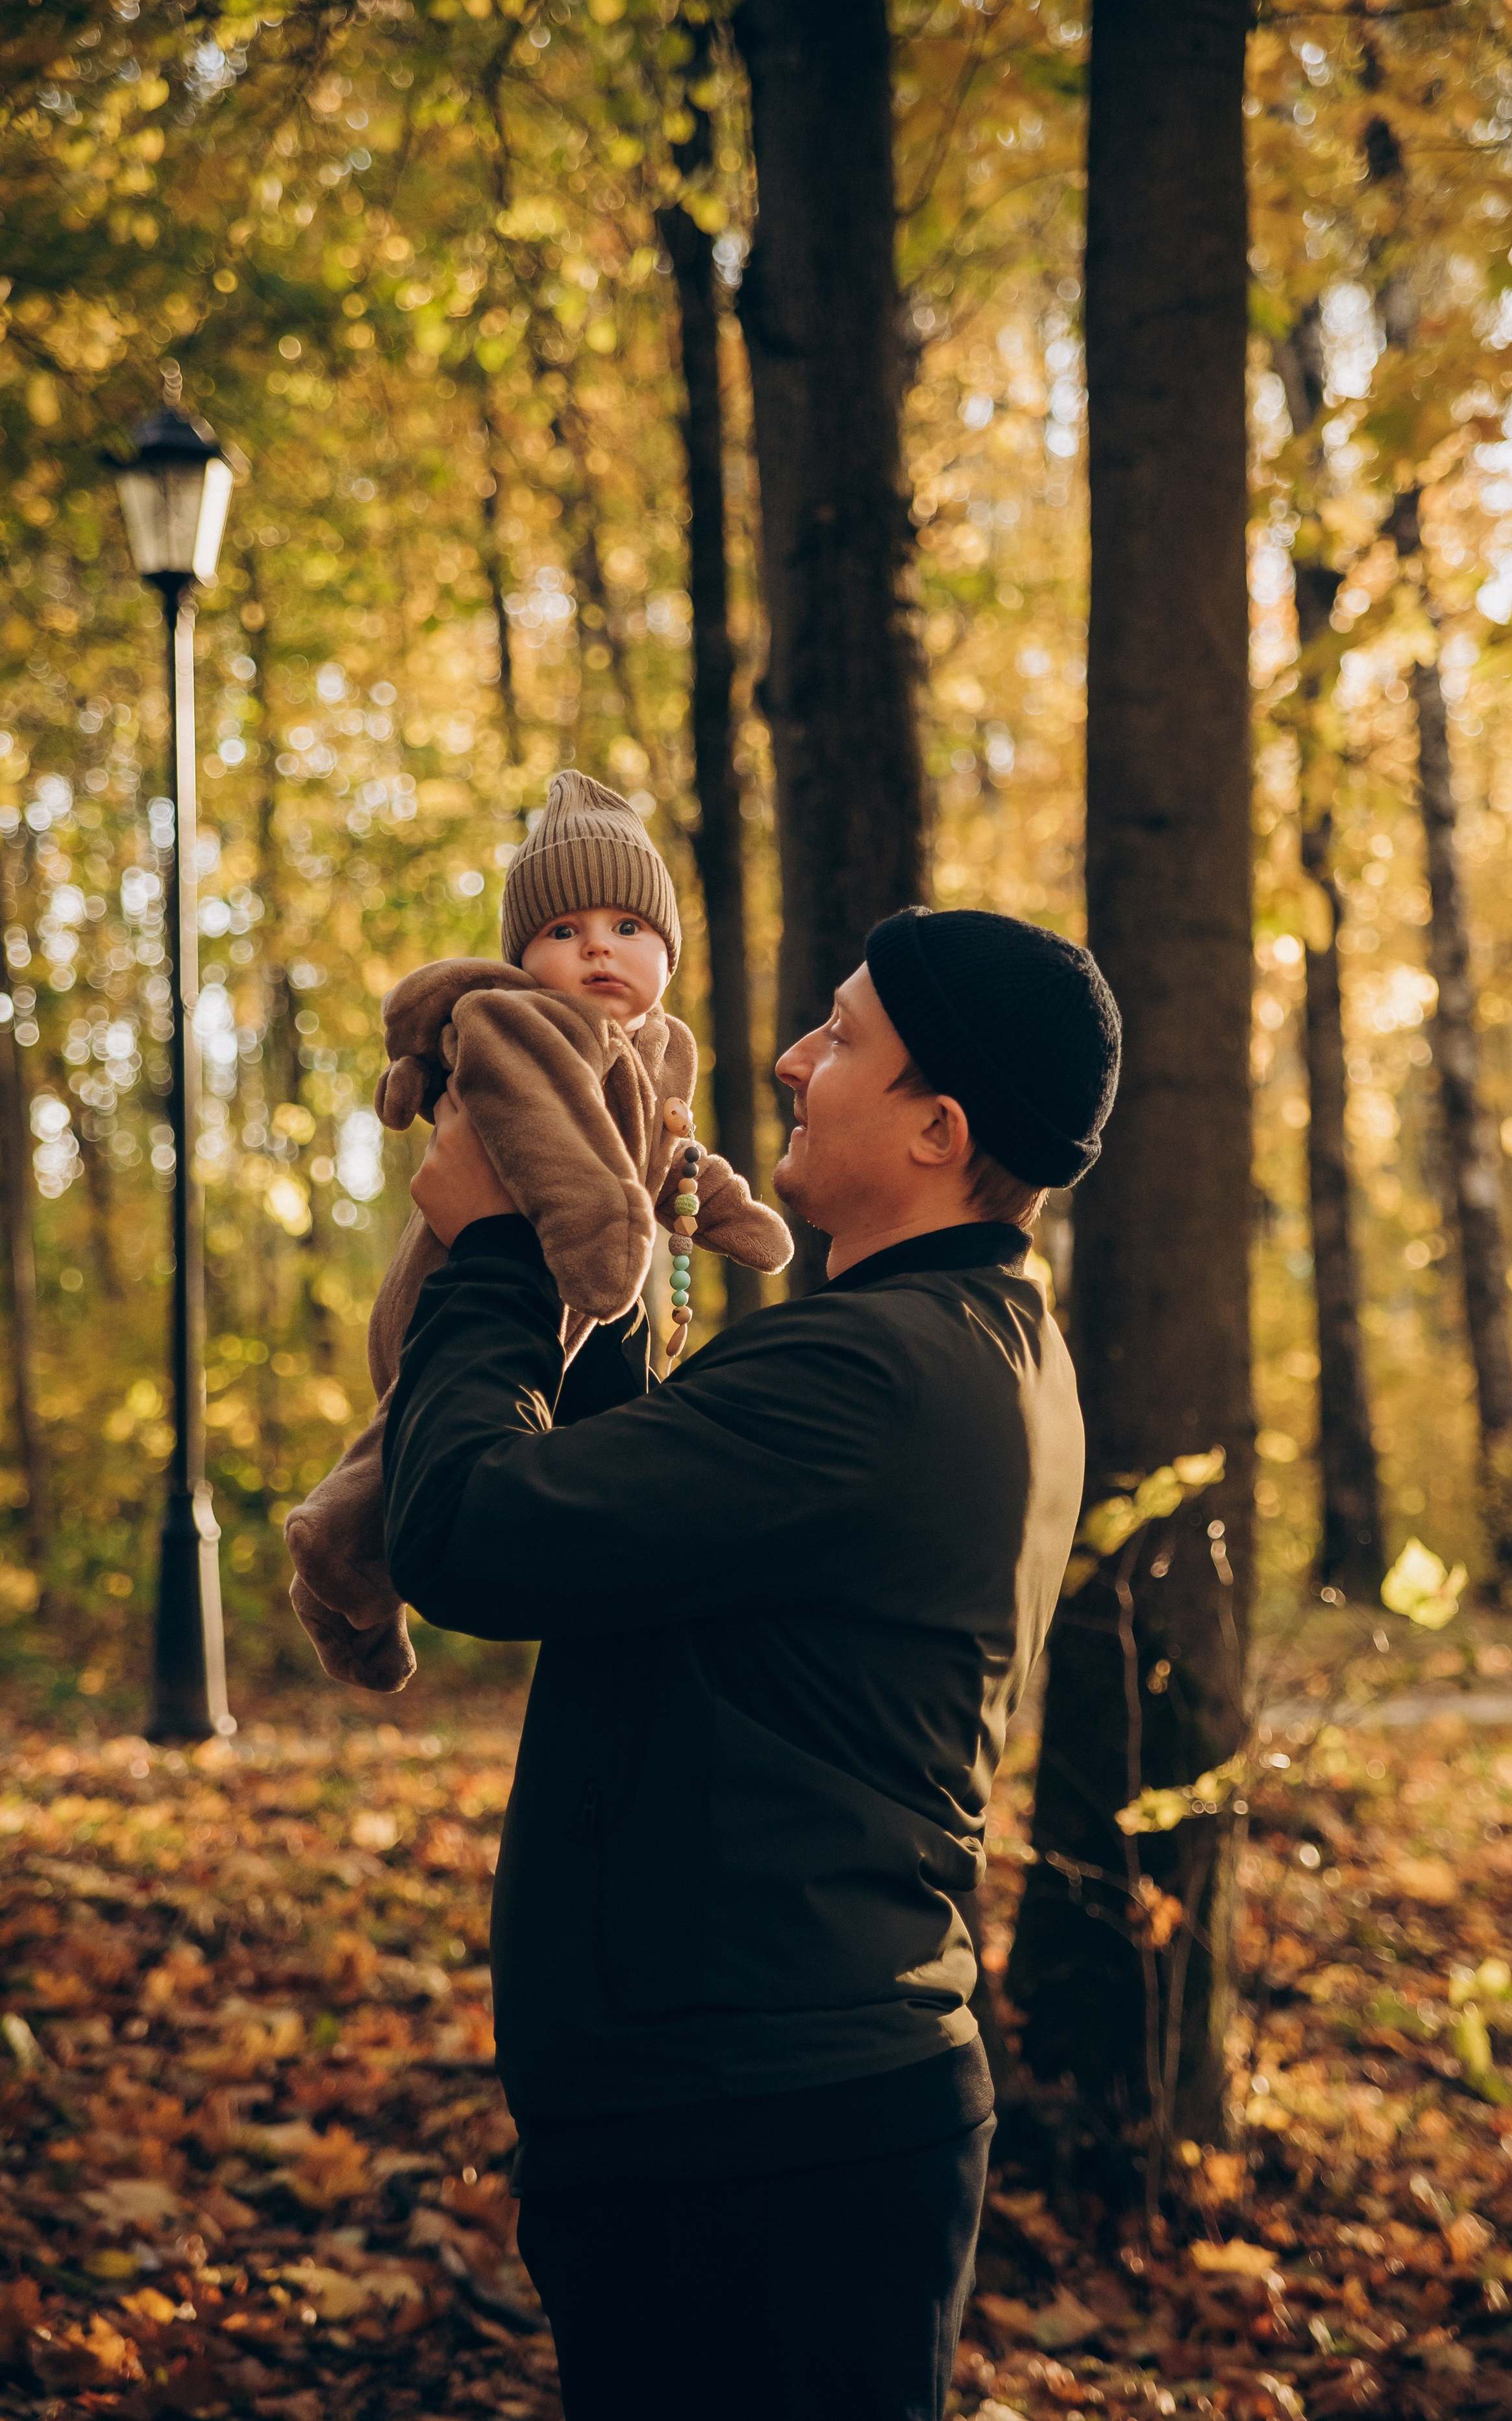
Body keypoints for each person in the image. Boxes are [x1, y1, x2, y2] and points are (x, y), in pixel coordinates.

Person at [384, 903, 1122, 2421]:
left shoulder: (872, 1372)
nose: (792, 1057)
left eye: (840, 1034)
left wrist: (499, 1251)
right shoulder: (962, 1342)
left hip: (758, 2145)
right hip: (773, 2117)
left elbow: (470, 1531)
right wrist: (600, 1241)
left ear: (936, 1127)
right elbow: (629, 1524)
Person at [285, 769, 788, 1690]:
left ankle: (346, 1579)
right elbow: (551, 1140)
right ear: (527, 957)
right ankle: (336, 1563)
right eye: (566, 932)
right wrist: (600, 1237)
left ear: (668, 954)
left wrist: (717, 1204)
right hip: (475, 1278)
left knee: (435, 1457)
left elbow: (664, 1152)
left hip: (574, 1297)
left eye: (627, 928)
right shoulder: (518, 1022)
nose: (599, 949)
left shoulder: (663, 1045)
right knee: (427, 1443)